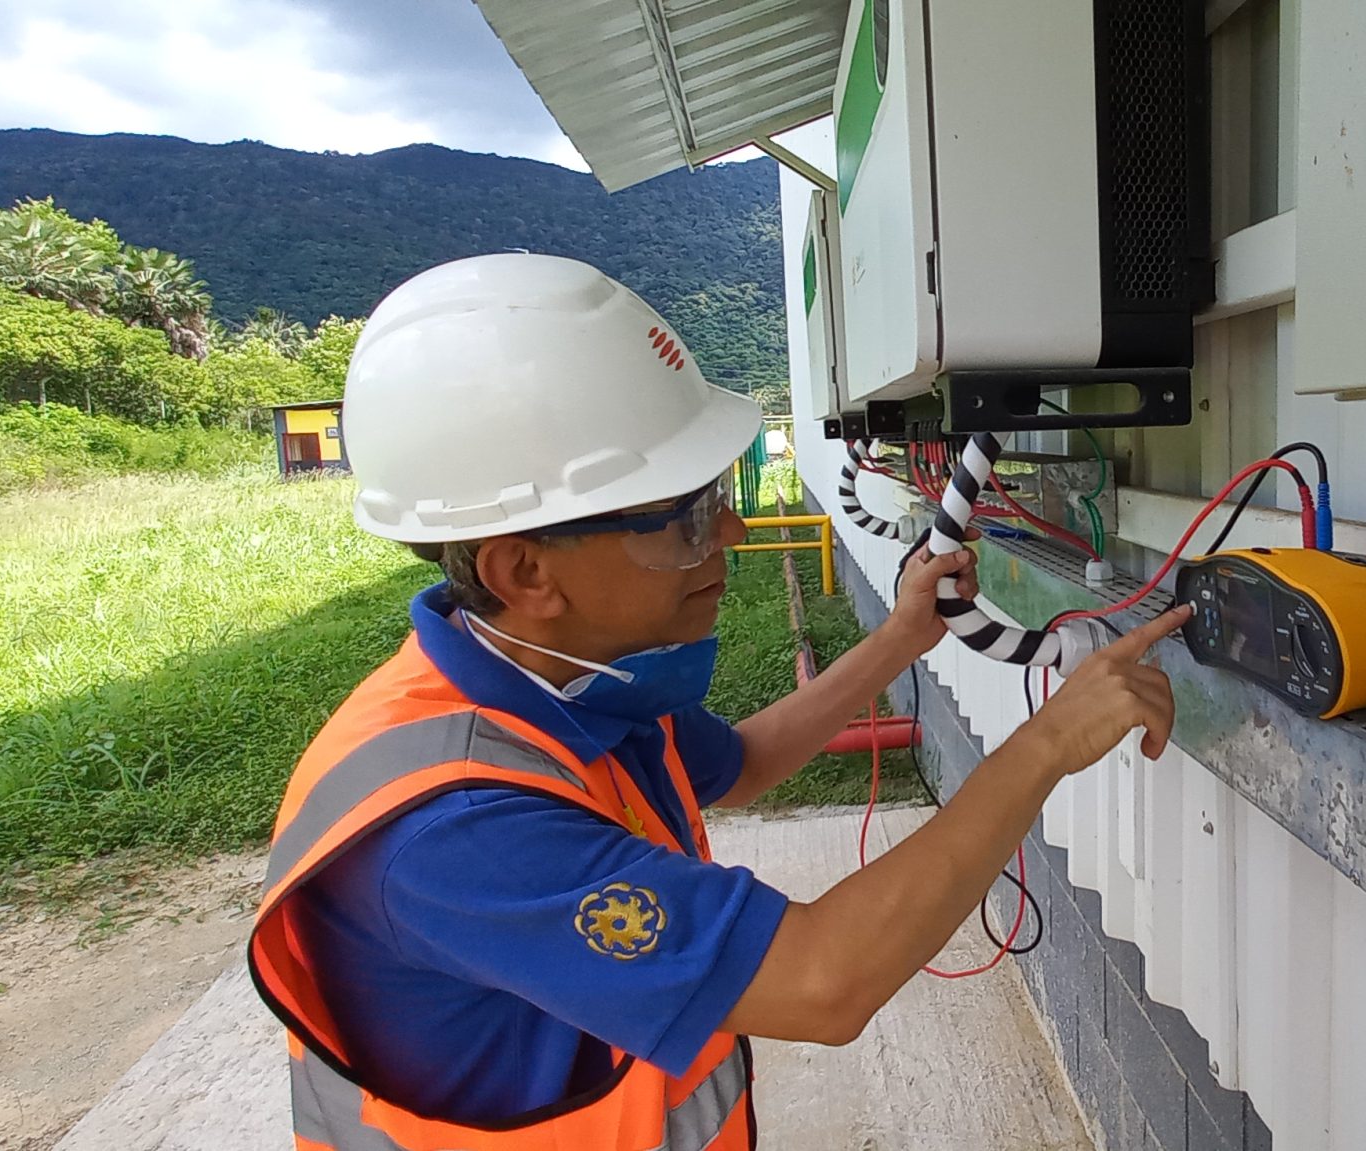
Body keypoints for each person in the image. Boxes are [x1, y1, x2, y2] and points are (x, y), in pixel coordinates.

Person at [248, 253, 1191, 1151]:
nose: (733, 532)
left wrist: (901, 637)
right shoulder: (452, 829)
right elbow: (825, 982)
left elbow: (739, 765)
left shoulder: (565, 678)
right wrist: (1049, 742)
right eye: (687, 515)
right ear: (524, 568)